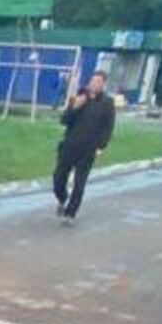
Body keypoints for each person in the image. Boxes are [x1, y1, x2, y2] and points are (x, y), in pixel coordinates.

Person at [53, 69, 116, 222]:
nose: (94, 84)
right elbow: (64, 120)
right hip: (70, 145)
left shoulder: (107, 103)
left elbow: (108, 127)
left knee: (79, 183)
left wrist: (101, 147)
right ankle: (62, 198)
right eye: (92, 81)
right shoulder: (80, 97)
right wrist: (75, 107)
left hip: (88, 149)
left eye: (98, 82)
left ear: (103, 84)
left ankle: (70, 213)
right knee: (58, 177)